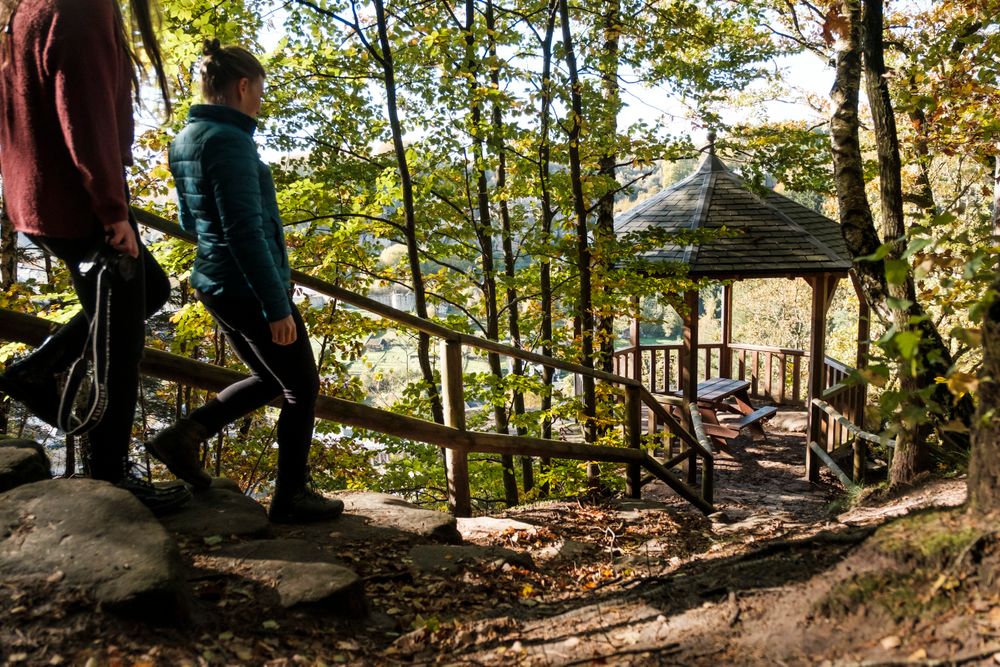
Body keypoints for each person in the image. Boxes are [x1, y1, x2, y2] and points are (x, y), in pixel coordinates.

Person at [0, 0, 188, 512]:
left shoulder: (30, 8)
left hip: (40, 199)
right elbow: (84, 116)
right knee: (120, 344)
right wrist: (111, 209)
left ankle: (37, 370)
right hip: (77, 204)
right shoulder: (80, 7)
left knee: (151, 291)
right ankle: (110, 479)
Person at [148, 40, 343, 524]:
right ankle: (291, 496)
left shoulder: (186, 138)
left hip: (214, 282)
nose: (260, 98)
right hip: (246, 288)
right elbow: (244, 232)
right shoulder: (230, 141)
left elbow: (192, 222)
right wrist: (276, 306)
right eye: (258, 88)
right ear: (241, 86)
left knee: (271, 377)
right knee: (302, 387)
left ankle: (182, 437)